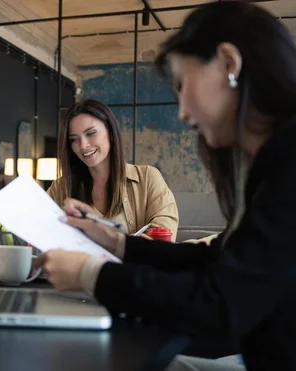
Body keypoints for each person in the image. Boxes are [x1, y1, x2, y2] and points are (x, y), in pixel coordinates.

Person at [36, 2, 296, 370]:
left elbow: (217, 304)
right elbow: (213, 259)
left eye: (182, 84)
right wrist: (116, 242)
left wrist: (89, 273)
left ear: (228, 63)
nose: (182, 112)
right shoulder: (275, 161)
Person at [47, 99, 179, 240]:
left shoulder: (147, 178)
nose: (83, 145)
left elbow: (164, 237)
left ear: (110, 132)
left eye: (91, 133)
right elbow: (42, 231)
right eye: (74, 139)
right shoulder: (60, 187)